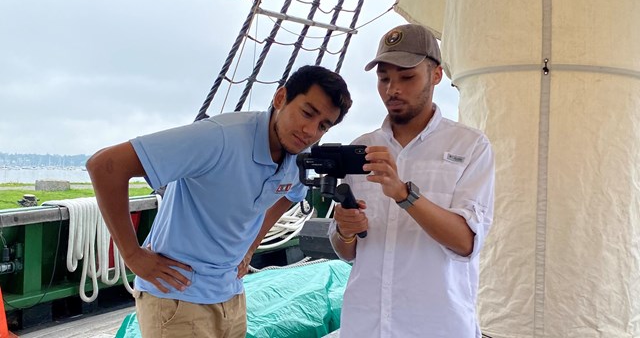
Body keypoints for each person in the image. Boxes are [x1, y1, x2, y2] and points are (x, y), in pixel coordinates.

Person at [86, 65, 352, 338]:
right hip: (177, 298)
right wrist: (133, 256)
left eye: (323, 125)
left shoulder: (298, 156)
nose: (310, 130)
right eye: (307, 113)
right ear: (280, 98)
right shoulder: (220, 137)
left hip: (231, 295)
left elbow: (290, 194)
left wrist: (251, 246)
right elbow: (106, 165)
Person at [329, 24, 495, 337]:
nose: (393, 89)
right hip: (365, 326)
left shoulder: (470, 146)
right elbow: (346, 251)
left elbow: (466, 243)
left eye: (407, 77)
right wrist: (345, 231)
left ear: (436, 75)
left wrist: (405, 194)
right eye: (384, 78)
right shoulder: (360, 148)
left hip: (437, 327)